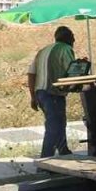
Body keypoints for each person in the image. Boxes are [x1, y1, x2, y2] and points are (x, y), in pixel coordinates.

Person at [27, 26, 77, 157]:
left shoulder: (43, 50)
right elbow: (72, 72)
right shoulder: (66, 49)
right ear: (70, 39)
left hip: (40, 92)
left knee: (59, 122)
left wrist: (32, 96)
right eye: (73, 37)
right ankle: (45, 161)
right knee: (54, 127)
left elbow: (31, 74)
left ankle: (64, 150)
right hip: (53, 92)